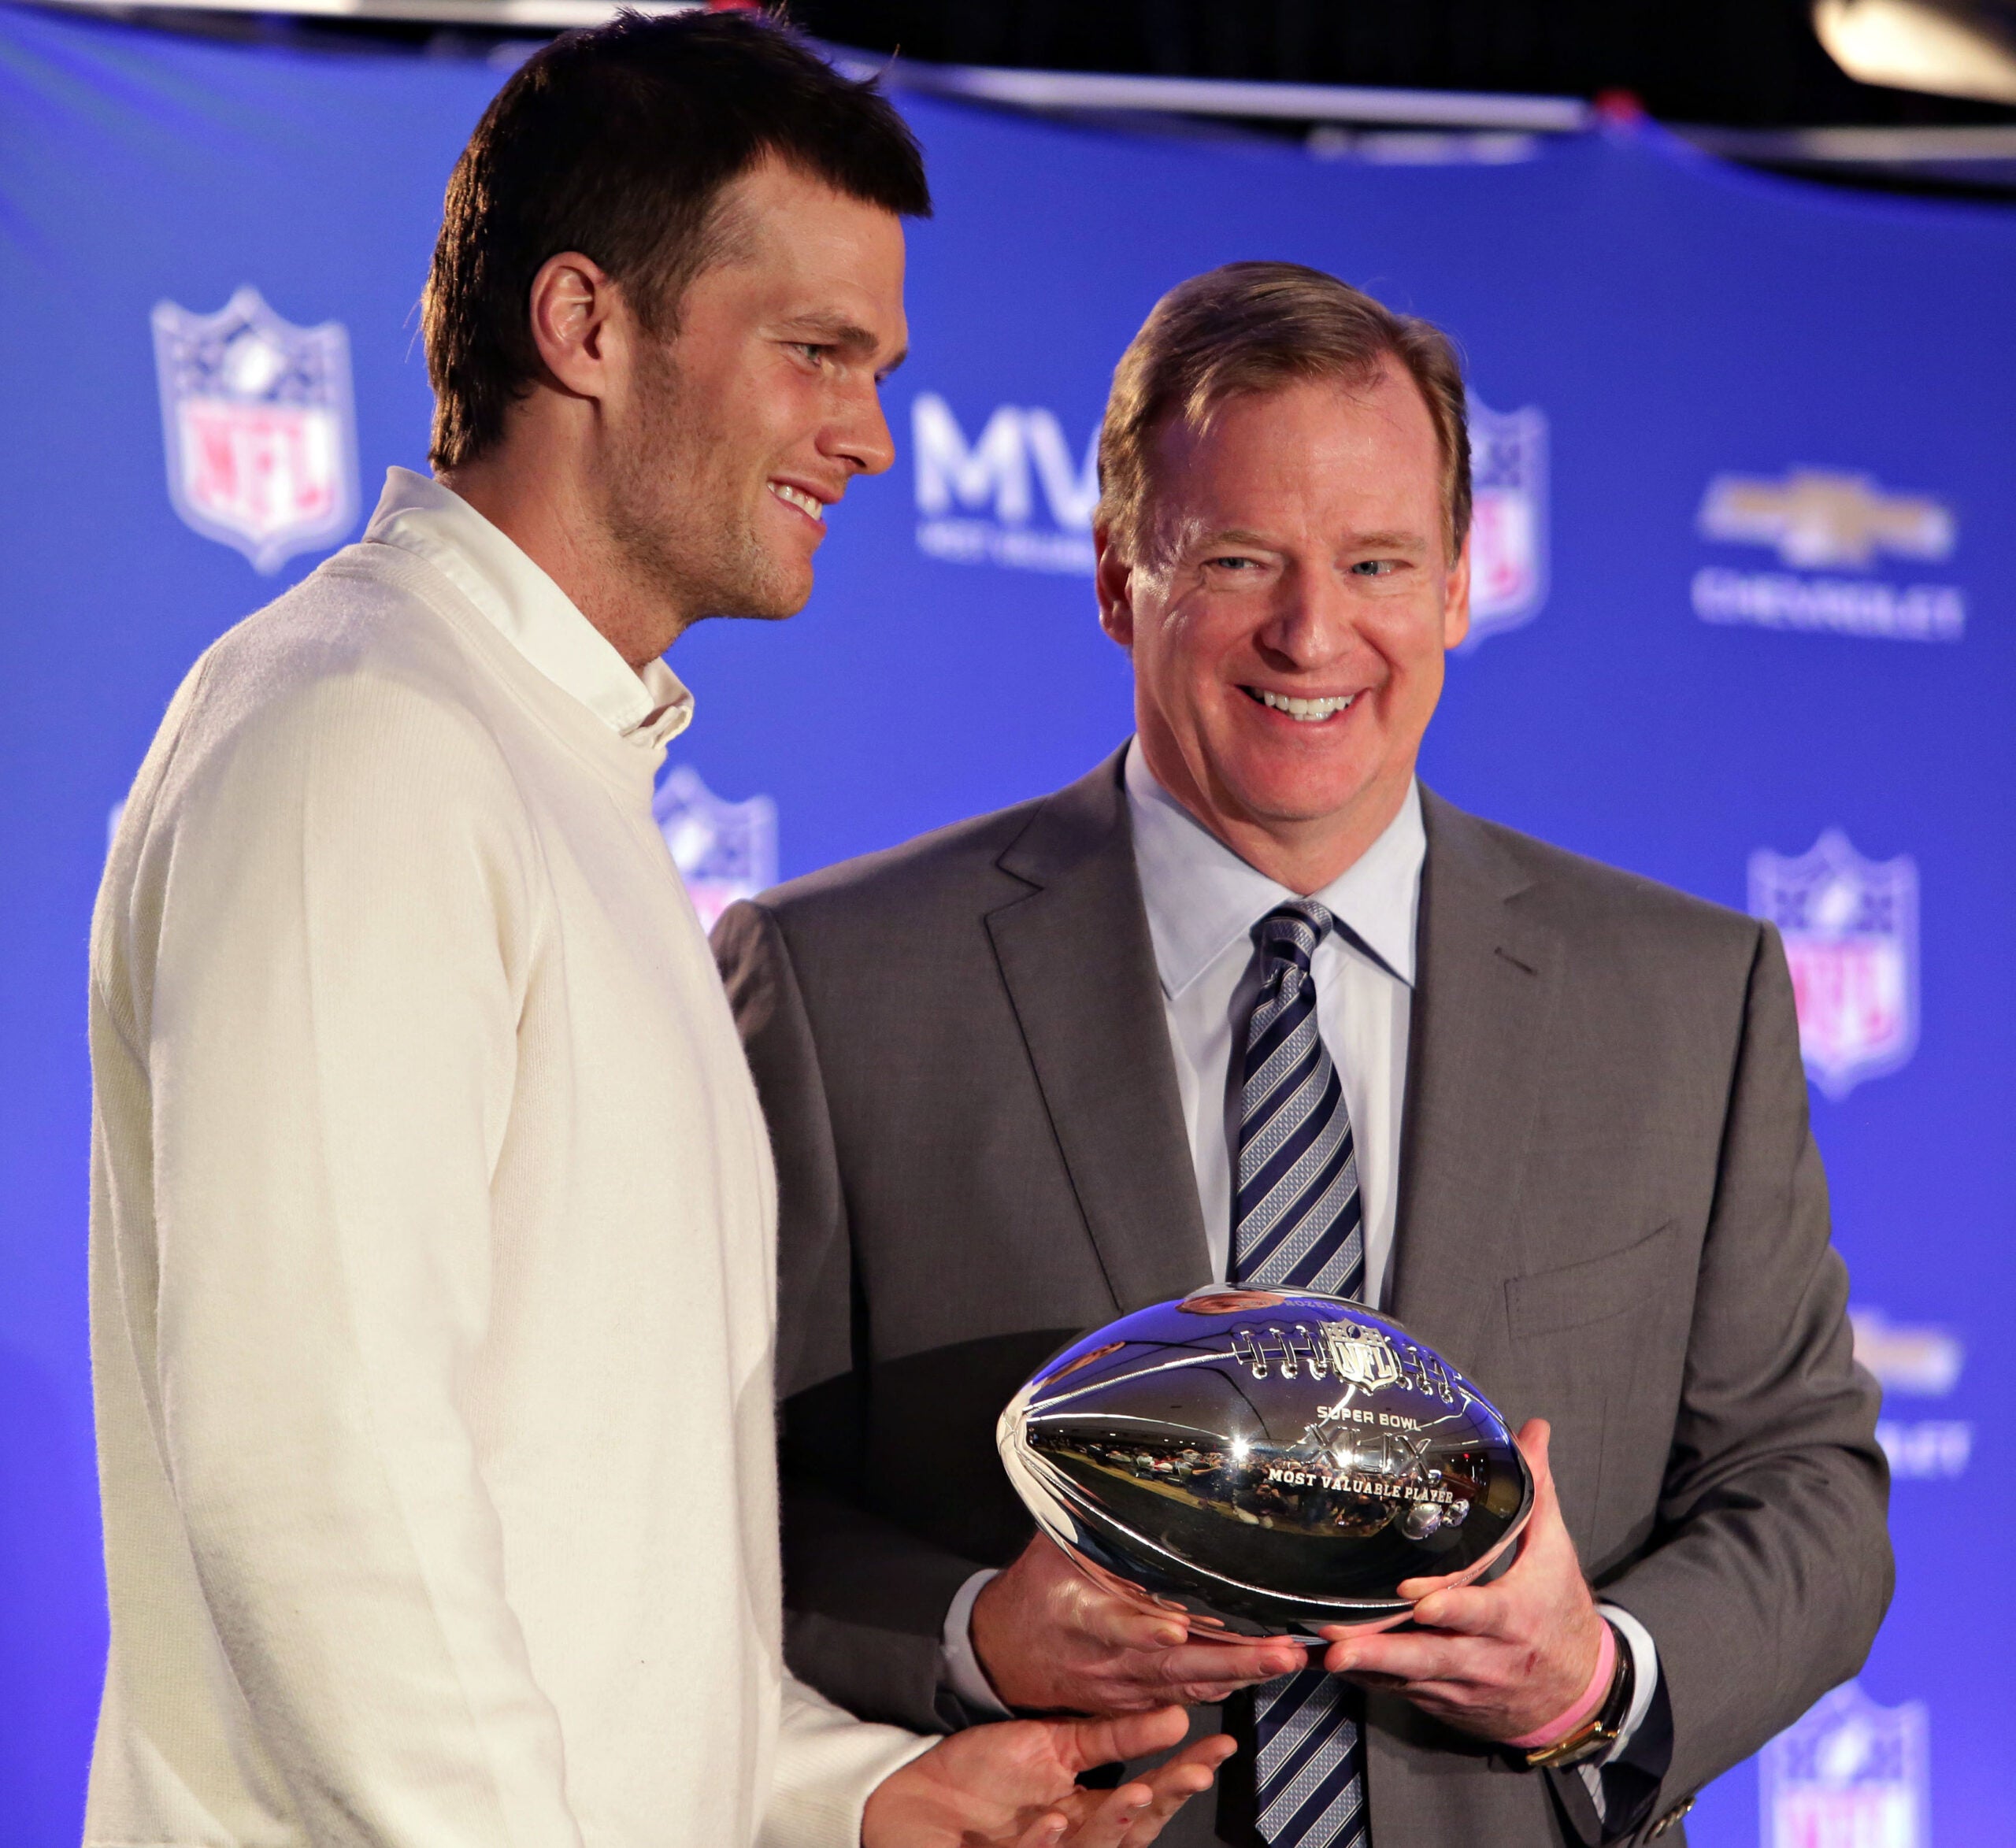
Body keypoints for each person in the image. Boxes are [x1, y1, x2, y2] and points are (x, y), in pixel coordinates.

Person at [83, 16, 1228, 1848]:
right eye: (813, 354)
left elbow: (600, 1559)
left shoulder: (547, 768)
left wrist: (847, 1795)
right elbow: (323, 1489)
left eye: (876, 365)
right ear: (585, 327)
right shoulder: (364, 742)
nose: (867, 432)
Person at [713, 262, 1892, 1848]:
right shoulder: (841, 979)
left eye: (1377, 560)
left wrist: (1588, 1674)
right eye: (1241, 557)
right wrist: (976, 1631)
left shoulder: (1688, 997)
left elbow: (1803, 1486)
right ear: (1118, 573)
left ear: (1462, 584)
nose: (1313, 629)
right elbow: (709, 1491)